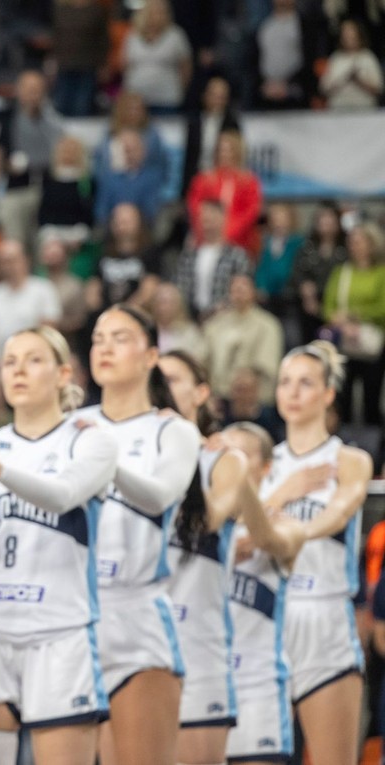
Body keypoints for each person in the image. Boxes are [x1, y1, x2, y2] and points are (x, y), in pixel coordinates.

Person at [0, 325, 118, 765]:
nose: (18, 371)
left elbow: (64, 495)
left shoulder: (90, 439)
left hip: (58, 631)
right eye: (10, 362)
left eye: (33, 360)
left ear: (63, 373)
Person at [80, 306, 202, 765]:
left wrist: (105, 461)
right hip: (69, 618)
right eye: (98, 338)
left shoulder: (172, 430)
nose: (105, 348)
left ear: (151, 356)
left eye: (120, 338)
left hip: (136, 616)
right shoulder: (71, 424)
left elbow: (160, 496)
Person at [260, 342, 374, 765]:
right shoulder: (262, 462)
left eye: (306, 383)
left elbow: (339, 512)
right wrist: (282, 495)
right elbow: (238, 534)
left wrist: (292, 534)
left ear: (328, 394)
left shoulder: (348, 459)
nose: (292, 392)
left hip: (324, 616)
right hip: (265, 618)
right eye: (285, 382)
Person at [158, 351, 243, 764]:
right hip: (135, 636)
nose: (163, 388)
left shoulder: (222, 458)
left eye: (173, 379)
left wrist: (186, 447)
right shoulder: (125, 453)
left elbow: (207, 521)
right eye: (157, 380)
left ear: (201, 392)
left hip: (197, 639)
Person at [222, 421, 306, 764]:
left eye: (241, 454)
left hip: (257, 685)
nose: (231, 460)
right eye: (226, 452)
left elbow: (268, 538)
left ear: (266, 467)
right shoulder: (198, 524)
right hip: (204, 677)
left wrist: (237, 480)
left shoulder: (287, 525)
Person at [321, 221, 385, 433]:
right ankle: (343, 438)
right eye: (351, 242)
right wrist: (339, 320)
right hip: (343, 341)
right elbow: (328, 306)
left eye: (359, 241)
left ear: (371, 244)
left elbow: (382, 308)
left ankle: (373, 443)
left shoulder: (381, 273)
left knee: (371, 397)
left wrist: (355, 316)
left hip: (371, 343)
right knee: (343, 397)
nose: (354, 246)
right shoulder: (341, 272)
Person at [0, 71, 63, 246]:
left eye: (37, 89)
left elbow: (61, 151)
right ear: (19, 91)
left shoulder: (52, 120)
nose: (33, 94)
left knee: (43, 243)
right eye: (29, 89)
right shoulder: (9, 119)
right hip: (16, 189)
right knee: (15, 243)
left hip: (46, 190)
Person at [0, 240, 61, 367]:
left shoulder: (43, 289)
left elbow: (49, 332)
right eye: (3, 261)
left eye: (11, 260)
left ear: (25, 261)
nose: (7, 266)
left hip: (34, 362)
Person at [202, 274, 284, 404]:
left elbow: (266, 366)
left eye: (243, 288)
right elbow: (203, 359)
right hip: (218, 394)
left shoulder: (268, 325)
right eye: (235, 289)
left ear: (254, 292)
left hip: (254, 399)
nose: (239, 293)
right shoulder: (215, 324)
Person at [171, 199, 253, 321]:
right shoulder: (188, 256)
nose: (207, 221)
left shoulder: (236, 255)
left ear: (223, 218)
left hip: (226, 319)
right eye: (204, 218)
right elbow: (179, 288)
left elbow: (242, 290)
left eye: (212, 216)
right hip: (191, 318)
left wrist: (218, 310)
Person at [186, 131, 263, 257]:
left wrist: (227, 234)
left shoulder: (249, 183)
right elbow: (195, 208)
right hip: (206, 240)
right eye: (221, 150)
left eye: (229, 150)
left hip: (240, 243)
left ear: (237, 152)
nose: (225, 154)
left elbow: (250, 213)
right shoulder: (203, 180)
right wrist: (209, 233)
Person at [291, 202, 349, 345]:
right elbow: (297, 273)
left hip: (337, 304)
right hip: (308, 305)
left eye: (330, 219)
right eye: (322, 218)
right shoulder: (307, 246)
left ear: (338, 222)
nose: (326, 223)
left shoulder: (346, 248)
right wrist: (305, 288)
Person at [87, 204, 162, 315]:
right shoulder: (103, 251)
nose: (121, 225)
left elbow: (150, 288)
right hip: (105, 313)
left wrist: (124, 312)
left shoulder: (150, 252)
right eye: (117, 221)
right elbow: (93, 287)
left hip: (137, 313)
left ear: (139, 222)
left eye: (126, 221)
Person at [121, 0, 193, 113]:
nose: (157, 16)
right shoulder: (133, 34)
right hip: (137, 101)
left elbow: (186, 67)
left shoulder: (176, 35)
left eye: (161, 12)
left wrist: (181, 89)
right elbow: (125, 64)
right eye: (153, 12)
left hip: (167, 99)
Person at [181, 77, 240, 197]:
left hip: (223, 180)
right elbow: (190, 159)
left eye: (221, 97)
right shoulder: (195, 123)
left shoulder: (231, 123)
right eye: (214, 96)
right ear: (205, 96)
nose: (217, 101)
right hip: (198, 178)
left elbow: (237, 155)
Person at [92, 129, 164, 225]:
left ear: (143, 151)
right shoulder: (108, 178)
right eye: (126, 150)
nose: (129, 155)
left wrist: (130, 215)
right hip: (113, 226)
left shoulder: (153, 177)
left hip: (143, 226)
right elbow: (101, 210)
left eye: (133, 150)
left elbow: (152, 208)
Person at [50, 0, 109, 117]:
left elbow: (103, 39)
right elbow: (55, 36)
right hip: (64, 65)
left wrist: (104, 64)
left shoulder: (96, 10)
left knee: (82, 106)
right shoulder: (60, 9)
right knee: (61, 105)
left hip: (88, 66)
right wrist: (52, 59)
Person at [253, 0, 315, 109]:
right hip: (267, 93)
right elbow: (255, 60)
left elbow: (310, 58)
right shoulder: (264, 27)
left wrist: (288, 84)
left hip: (297, 93)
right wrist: (264, 84)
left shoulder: (305, 25)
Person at [36, 135, 94, 246]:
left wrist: (81, 231)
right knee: (52, 245)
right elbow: (44, 210)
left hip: (77, 230)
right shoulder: (48, 179)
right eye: (65, 150)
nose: (69, 154)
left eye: (73, 151)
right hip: (53, 229)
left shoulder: (86, 181)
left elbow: (88, 211)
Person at [321, 19, 383, 110]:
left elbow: (379, 89)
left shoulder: (368, 57)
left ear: (359, 35)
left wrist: (359, 80)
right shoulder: (335, 59)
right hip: (337, 111)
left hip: (365, 111)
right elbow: (324, 89)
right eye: (345, 35)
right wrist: (344, 78)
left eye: (351, 35)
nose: (348, 38)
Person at [255, 203, 302, 313]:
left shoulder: (297, 242)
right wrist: (260, 286)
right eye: (276, 219)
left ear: (290, 220)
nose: (279, 223)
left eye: (283, 219)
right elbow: (261, 267)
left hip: (289, 297)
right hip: (267, 297)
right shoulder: (265, 242)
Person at [222, 366, 285, 444]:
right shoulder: (220, 415)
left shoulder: (270, 420)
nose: (242, 395)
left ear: (256, 392)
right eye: (239, 389)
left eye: (247, 390)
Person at [153, 282, 207, 360]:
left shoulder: (190, 333)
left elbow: (197, 359)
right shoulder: (148, 328)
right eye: (161, 301)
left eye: (170, 302)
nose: (165, 307)